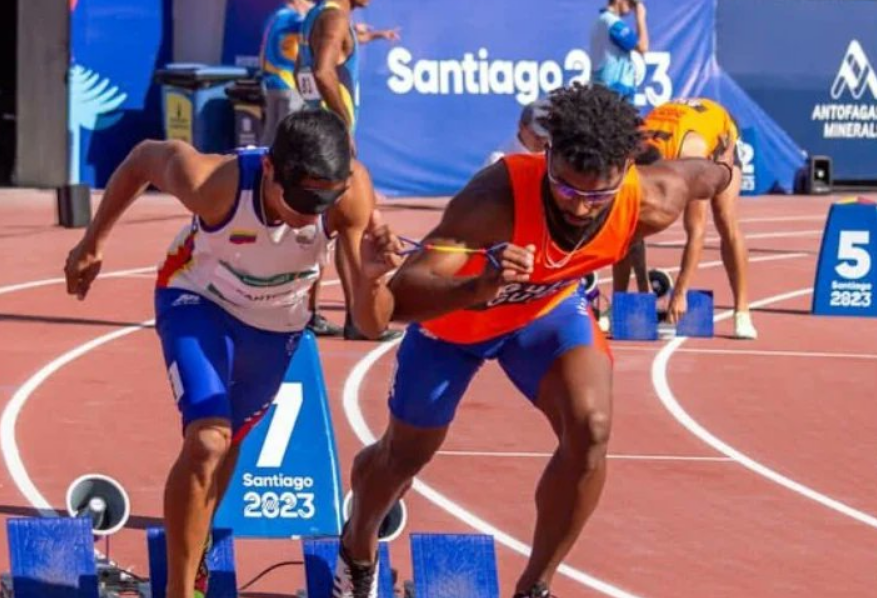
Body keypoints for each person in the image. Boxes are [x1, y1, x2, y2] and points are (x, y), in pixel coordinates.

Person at [335, 83, 737, 598]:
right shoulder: (493, 200)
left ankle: (535, 586)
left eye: (597, 196)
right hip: (454, 323)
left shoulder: (648, 199)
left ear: (624, 174)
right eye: (566, 189)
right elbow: (400, 304)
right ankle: (358, 548)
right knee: (403, 456)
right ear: (545, 156)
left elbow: (701, 175)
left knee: (591, 430)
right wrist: (482, 284)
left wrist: (728, 167)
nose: (580, 207)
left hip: (544, 314)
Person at [63, 110, 401, 598]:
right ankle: (181, 592)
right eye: (304, 198)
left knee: (228, 446)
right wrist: (92, 243)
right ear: (270, 170)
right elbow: (141, 160)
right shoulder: (214, 184)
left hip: (276, 325)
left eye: (327, 198)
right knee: (208, 441)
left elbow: (370, 325)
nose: (314, 212)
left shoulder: (348, 195)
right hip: (198, 299)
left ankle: (195, 550)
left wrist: (372, 277)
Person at [296, 0, 401, 341]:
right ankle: (358, 319)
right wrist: (341, 123)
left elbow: (307, 74)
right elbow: (323, 72)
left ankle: (310, 313)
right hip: (329, 139)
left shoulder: (315, 16)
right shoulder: (333, 18)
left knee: (330, 225)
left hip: (316, 134)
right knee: (355, 222)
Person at [616, 97, 757, 339]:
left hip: (717, 140)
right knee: (628, 223)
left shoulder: (692, 156)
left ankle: (742, 311)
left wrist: (679, 293)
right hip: (676, 123)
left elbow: (696, 232)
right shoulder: (632, 153)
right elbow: (630, 232)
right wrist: (643, 291)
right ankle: (618, 304)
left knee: (724, 218)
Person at [589, 0, 649, 102]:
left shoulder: (600, 20)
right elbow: (643, 47)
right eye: (631, 3)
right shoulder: (613, 24)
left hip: (604, 89)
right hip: (615, 92)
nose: (632, 8)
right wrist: (640, 18)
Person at [485, 100, 551, 166]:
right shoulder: (499, 161)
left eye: (547, 135)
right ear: (521, 126)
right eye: (537, 136)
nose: (543, 141)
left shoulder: (556, 160)